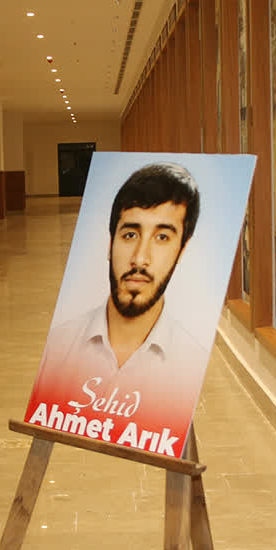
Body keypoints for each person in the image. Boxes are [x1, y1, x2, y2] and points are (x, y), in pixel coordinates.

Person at [33, 163, 207, 416]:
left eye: (162, 237)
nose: (140, 259)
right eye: (130, 235)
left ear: (182, 250)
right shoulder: (61, 344)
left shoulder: (190, 358)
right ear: (110, 243)